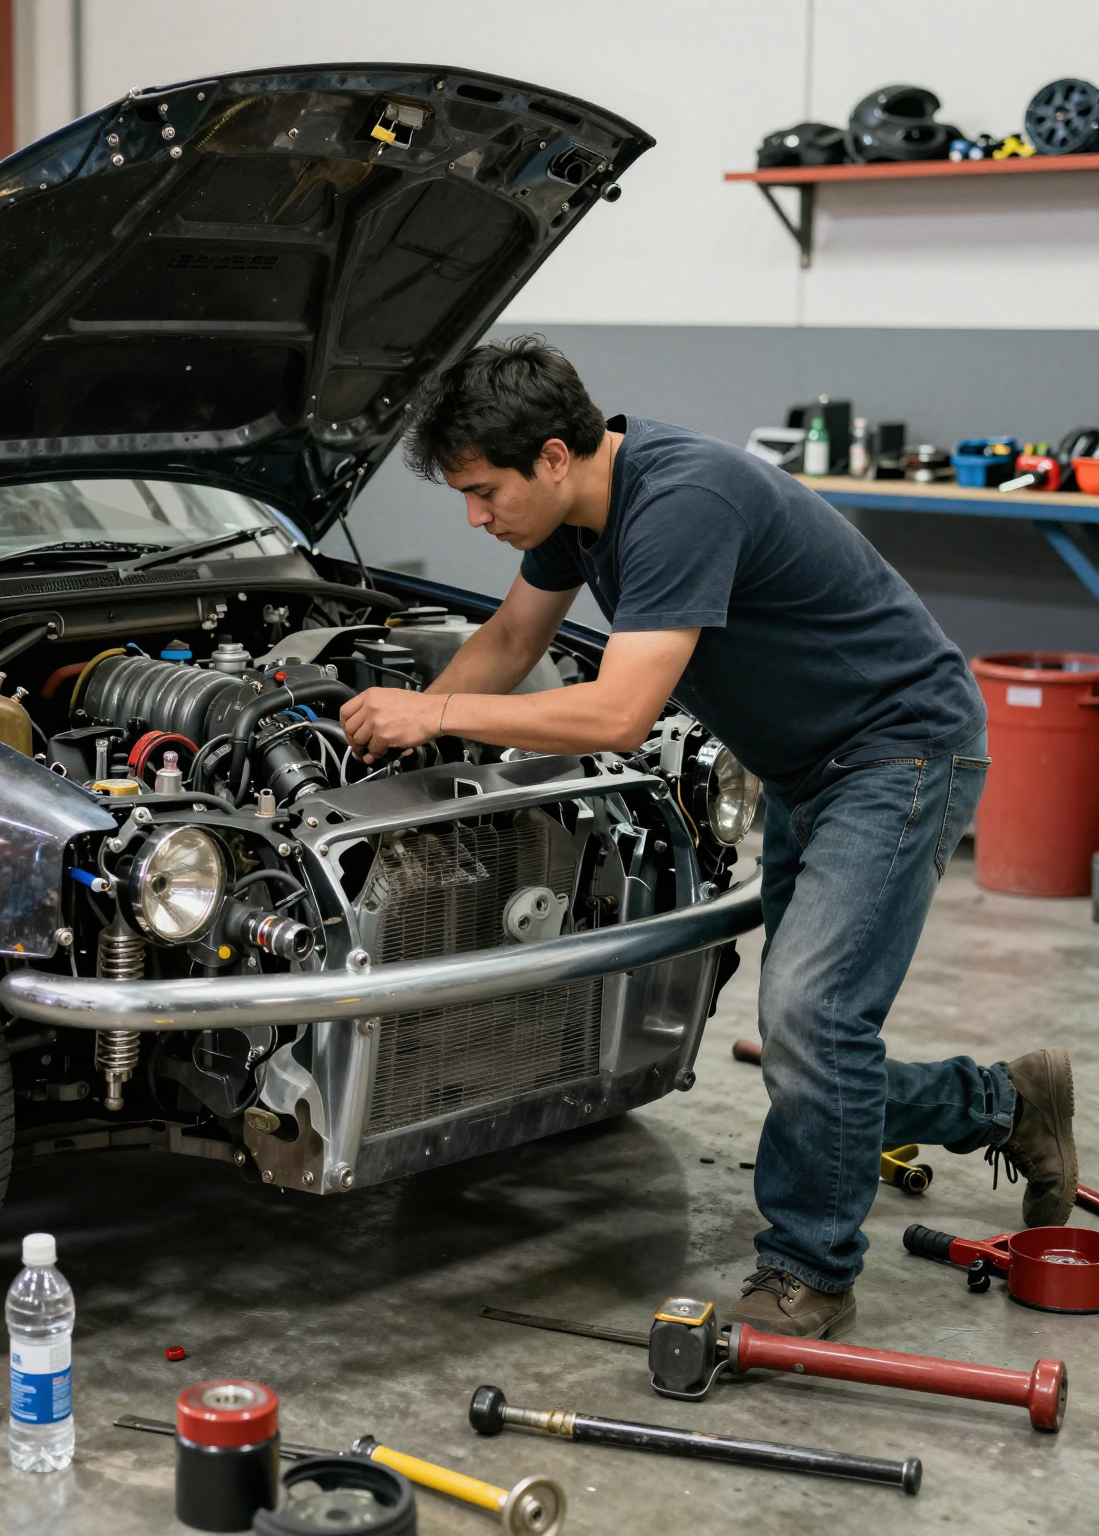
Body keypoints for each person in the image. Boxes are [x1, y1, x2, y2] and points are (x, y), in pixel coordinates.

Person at [340, 336, 1078, 1337]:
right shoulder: (576, 514)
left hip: (899, 750)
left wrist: (433, 715)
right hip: (810, 763)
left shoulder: (679, 503)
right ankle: (1006, 1105)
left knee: (813, 1018)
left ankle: (809, 1270)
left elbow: (618, 714)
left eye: (483, 492)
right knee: (804, 1045)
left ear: (552, 457)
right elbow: (512, 639)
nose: (476, 517)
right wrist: (394, 745)